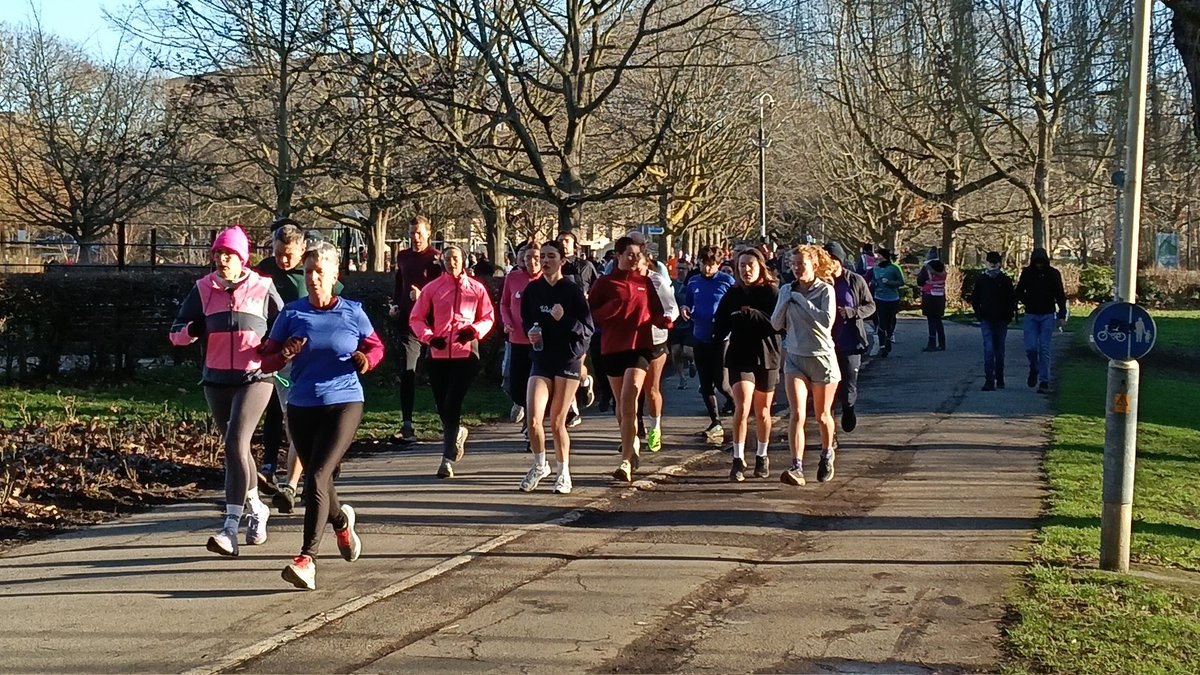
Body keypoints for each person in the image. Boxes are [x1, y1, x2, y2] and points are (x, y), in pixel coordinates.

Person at [259, 241, 384, 590]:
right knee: (322, 480)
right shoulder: (292, 314)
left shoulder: (352, 312)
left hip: (344, 402)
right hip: (301, 405)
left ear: (334, 275)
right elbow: (267, 360)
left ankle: (307, 560)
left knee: (315, 476)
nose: (312, 278)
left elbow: (376, 346)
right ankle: (341, 522)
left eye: (319, 272)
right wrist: (284, 353)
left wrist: (366, 360)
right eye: (307, 272)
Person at [169, 226, 284, 557]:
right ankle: (257, 508)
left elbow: (286, 324)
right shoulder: (203, 289)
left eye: (229, 254)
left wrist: (276, 349)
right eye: (218, 253)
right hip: (216, 379)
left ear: (242, 258)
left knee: (236, 442)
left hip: (255, 377)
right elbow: (176, 332)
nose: (222, 259)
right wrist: (193, 330)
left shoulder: (263, 286)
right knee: (238, 448)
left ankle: (229, 527)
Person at [256, 222, 345, 513]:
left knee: (316, 417)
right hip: (279, 355)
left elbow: (337, 302)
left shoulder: (313, 271)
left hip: (314, 357)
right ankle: (289, 478)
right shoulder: (265, 270)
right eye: (278, 253)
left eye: (289, 254)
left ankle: (316, 476)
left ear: (303, 250)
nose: (283, 260)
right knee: (288, 417)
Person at [588, 236, 671, 482]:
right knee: (621, 406)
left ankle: (625, 461)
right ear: (618, 255)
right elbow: (591, 315)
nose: (635, 259)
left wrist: (663, 321)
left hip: (640, 347)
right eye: (630, 255)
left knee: (629, 396)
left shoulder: (646, 281)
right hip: (612, 348)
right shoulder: (604, 283)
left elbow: (656, 311)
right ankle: (631, 444)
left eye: (638, 255)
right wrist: (610, 309)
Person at [409, 246, 496, 478]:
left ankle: (446, 460)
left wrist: (474, 331)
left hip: (465, 354)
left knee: (452, 402)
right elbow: (416, 318)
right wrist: (429, 337)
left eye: (456, 258)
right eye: (447, 259)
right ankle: (456, 434)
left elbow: (488, 316)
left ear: (464, 260)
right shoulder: (432, 288)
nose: (452, 262)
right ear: (442, 262)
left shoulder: (476, 288)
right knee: (442, 405)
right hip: (438, 355)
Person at [518, 240, 594, 494]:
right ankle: (540, 465)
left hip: (567, 359)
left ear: (562, 261)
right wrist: (532, 334)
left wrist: (566, 320)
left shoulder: (572, 291)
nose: (546, 261)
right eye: (543, 257)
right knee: (533, 420)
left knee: (557, 421)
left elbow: (587, 330)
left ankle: (564, 473)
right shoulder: (532, 291)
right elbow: (527, 322)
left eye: (552, 256)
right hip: (542, 359)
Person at [771, 245, 841, 487]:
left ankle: (826, 452)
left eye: (802, 263)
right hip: (795, 357)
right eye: (794, 264)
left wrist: (801, 300)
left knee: (822, 416)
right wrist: (785, 300)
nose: (797, 268)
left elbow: (825, 322)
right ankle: (796, 466)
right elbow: (775, 323)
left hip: (822, 359)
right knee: (797, 414)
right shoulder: (786, 290)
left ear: (814, 265)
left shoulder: (825, 290)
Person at [712, 248, 780, 482]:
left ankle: (762, 455)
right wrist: (720, 330)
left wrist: (752, 315)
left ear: (760, 266)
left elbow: (778, 324)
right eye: (742, 265)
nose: (746, 269)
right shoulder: (732, 293)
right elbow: (720, 324)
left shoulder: (771, 292)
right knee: (742, 406)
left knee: (762, 411)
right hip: (740, 355)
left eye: (750, 264)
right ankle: (738, 459)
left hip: (766, 355)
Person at [388, 215, 442, 442]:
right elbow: (399, 284)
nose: (415, 238)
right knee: (408, 372)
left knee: (438, 373)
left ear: (429, 233)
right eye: (411, 234)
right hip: (409, 323)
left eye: (419, 233)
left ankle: (447, 420)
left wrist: (423, 298)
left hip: (433, 325)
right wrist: (394, 305)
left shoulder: (436, 259)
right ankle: (407, 424)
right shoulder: (403, 256)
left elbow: (443, 292)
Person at [682, 245, 736, 443]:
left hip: (721, 338)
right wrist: (685, 308)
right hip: (700, 336)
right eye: (704, 264)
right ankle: (715, 421)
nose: (707, 269)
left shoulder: (727, 282)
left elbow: (734, 307)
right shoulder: (693, 282)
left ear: (718, 265)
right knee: (705, 384)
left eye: (711, 265)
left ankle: (733, 400)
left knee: (721, 382)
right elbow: (687, 302)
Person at [824, 242, 875, 433]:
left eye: (833, 259)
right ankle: (829, 430)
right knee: (827, 388)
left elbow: (870, 305)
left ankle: (848, 408)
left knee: (848, 384)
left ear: (840, 261)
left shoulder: (855, 280)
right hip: (825, 343)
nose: (830, 263)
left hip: (850, 341)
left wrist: (853, 311)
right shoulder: (820, 282)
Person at [500, 245, 541, 449]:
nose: (531, 262)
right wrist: (507, 322)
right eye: (527, 258)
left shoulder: (547, 280)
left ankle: (531, 429)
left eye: (535, 257)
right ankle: (525, 409)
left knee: (535, 388)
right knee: (516, 386)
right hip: (517, 340)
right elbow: (504, 304)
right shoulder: (513, 278)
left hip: (541, 344)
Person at [639, 251, 680, 453]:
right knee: (630, 392)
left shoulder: (657, 281)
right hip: (632, 341)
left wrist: (666, 319)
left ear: (648, 265)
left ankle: (655, 427)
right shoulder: (623, 281)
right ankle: (633, 432)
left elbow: (673, 307)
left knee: (651, 389)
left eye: (640, 264)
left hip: (655, 339)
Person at [556, 231, 598, 420]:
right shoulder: (553, 266)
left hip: (580, 322)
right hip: (558, 321)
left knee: (575, 362)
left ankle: (585, 381)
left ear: (575, 245)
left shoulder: (586, 266)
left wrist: (590, 298)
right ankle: (572, 409)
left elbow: (598, 290)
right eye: (560, 241)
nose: (564, 244)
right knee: (564, 363)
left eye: (567, 241)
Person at [1015, 247, 1068, 394]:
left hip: (1047, 315)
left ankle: (1044, 381)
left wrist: (1062, 315)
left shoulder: (1053, 274)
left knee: (1044, 349)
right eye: (1036, 262)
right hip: (1031, 314)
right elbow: (1019, 290)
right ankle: (1034, 366)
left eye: (1041, 262)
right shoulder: (1027, 273)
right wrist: (1027, 301)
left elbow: (1060, 296)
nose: (1039, 265)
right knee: (1030, 347)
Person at [972, 251, 1017, 391]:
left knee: (999, 351)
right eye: (990, 261)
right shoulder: (981, 280)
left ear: (999, 263)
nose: (993, 264)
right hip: (986, 319)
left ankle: (1000, 377)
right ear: (987, 262)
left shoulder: (1005, 280)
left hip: (1001, 320)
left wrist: (1008, 316)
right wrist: (979, 315)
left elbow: (1011, 300)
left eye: (995, 262)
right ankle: (989, 380)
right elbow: (975, 298)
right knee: (989, 349)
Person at [870, 248, 905, 357]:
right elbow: (873, 280)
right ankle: (882, 346)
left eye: (879, 255)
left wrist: (889, 282)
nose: (877, 258)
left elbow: (901, 282)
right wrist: (873, 283)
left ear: (884, 256)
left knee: (890, 322)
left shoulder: (894, 268)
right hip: (879, 298)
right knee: (881, 321)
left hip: (892, 299)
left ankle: (889, 338)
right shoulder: (875, 269)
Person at [669, 259, 696, 389]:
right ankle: (681, 378)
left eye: (683, 269)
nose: (680, 271)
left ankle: (693, 363)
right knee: (675, 352)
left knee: (687, 351)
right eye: (678, 268)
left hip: (689, 324)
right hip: (675, 324)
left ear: (688, 270)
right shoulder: (671, 285)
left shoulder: (692, 285)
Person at [916, 247, 948, 351]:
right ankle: (942, 343)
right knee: (938, 319)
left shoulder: (927, 268)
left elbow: (920, 281)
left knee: (931, 320)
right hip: (940, 296)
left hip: (929, 295)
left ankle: (932, 343)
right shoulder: (942, 267)